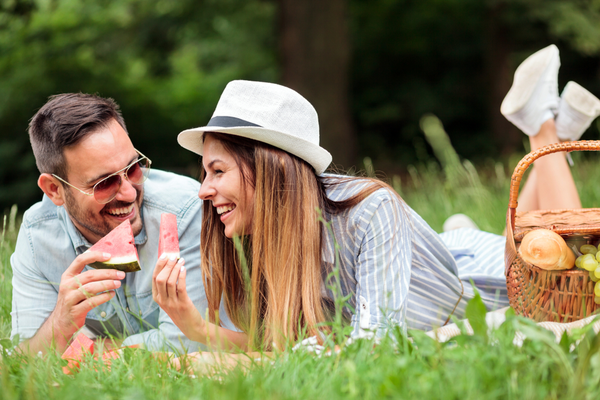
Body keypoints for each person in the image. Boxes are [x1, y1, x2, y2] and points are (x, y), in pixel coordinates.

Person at [152, 44, 600, 352]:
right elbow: (275, 344)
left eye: (217, 170)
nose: (204, 190)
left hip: (474, 276)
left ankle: (543, 133)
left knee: (549, 253)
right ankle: (551, 137)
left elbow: (374, 339)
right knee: (532, 239)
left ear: (270, 173)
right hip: (436, 255)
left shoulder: (369, 209)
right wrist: (192, 323)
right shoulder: (258, 238)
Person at [11, 93, 207, 355]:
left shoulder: (185, 210)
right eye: (104, 183)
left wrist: (87, 350)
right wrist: (58, 325)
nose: (129, 193)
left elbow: (193, 343)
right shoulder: (38, 236)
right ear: (54, 190)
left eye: (133, 168)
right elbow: (25, 358)